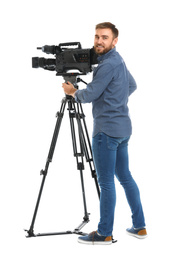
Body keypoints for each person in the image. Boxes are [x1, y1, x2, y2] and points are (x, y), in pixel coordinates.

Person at [62, 22, 147, 245]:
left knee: (106, 182)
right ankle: (139, 226)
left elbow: (89, 94)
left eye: (105, 37)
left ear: (114, 41)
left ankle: (104, 233)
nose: (99, 41)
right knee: (125, 177)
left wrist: (73, 93)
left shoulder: (107, 65)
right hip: (122, 129)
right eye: (97, 36)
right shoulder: (118, 60)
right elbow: (132, 85)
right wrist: (114, 100)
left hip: (106, 131)